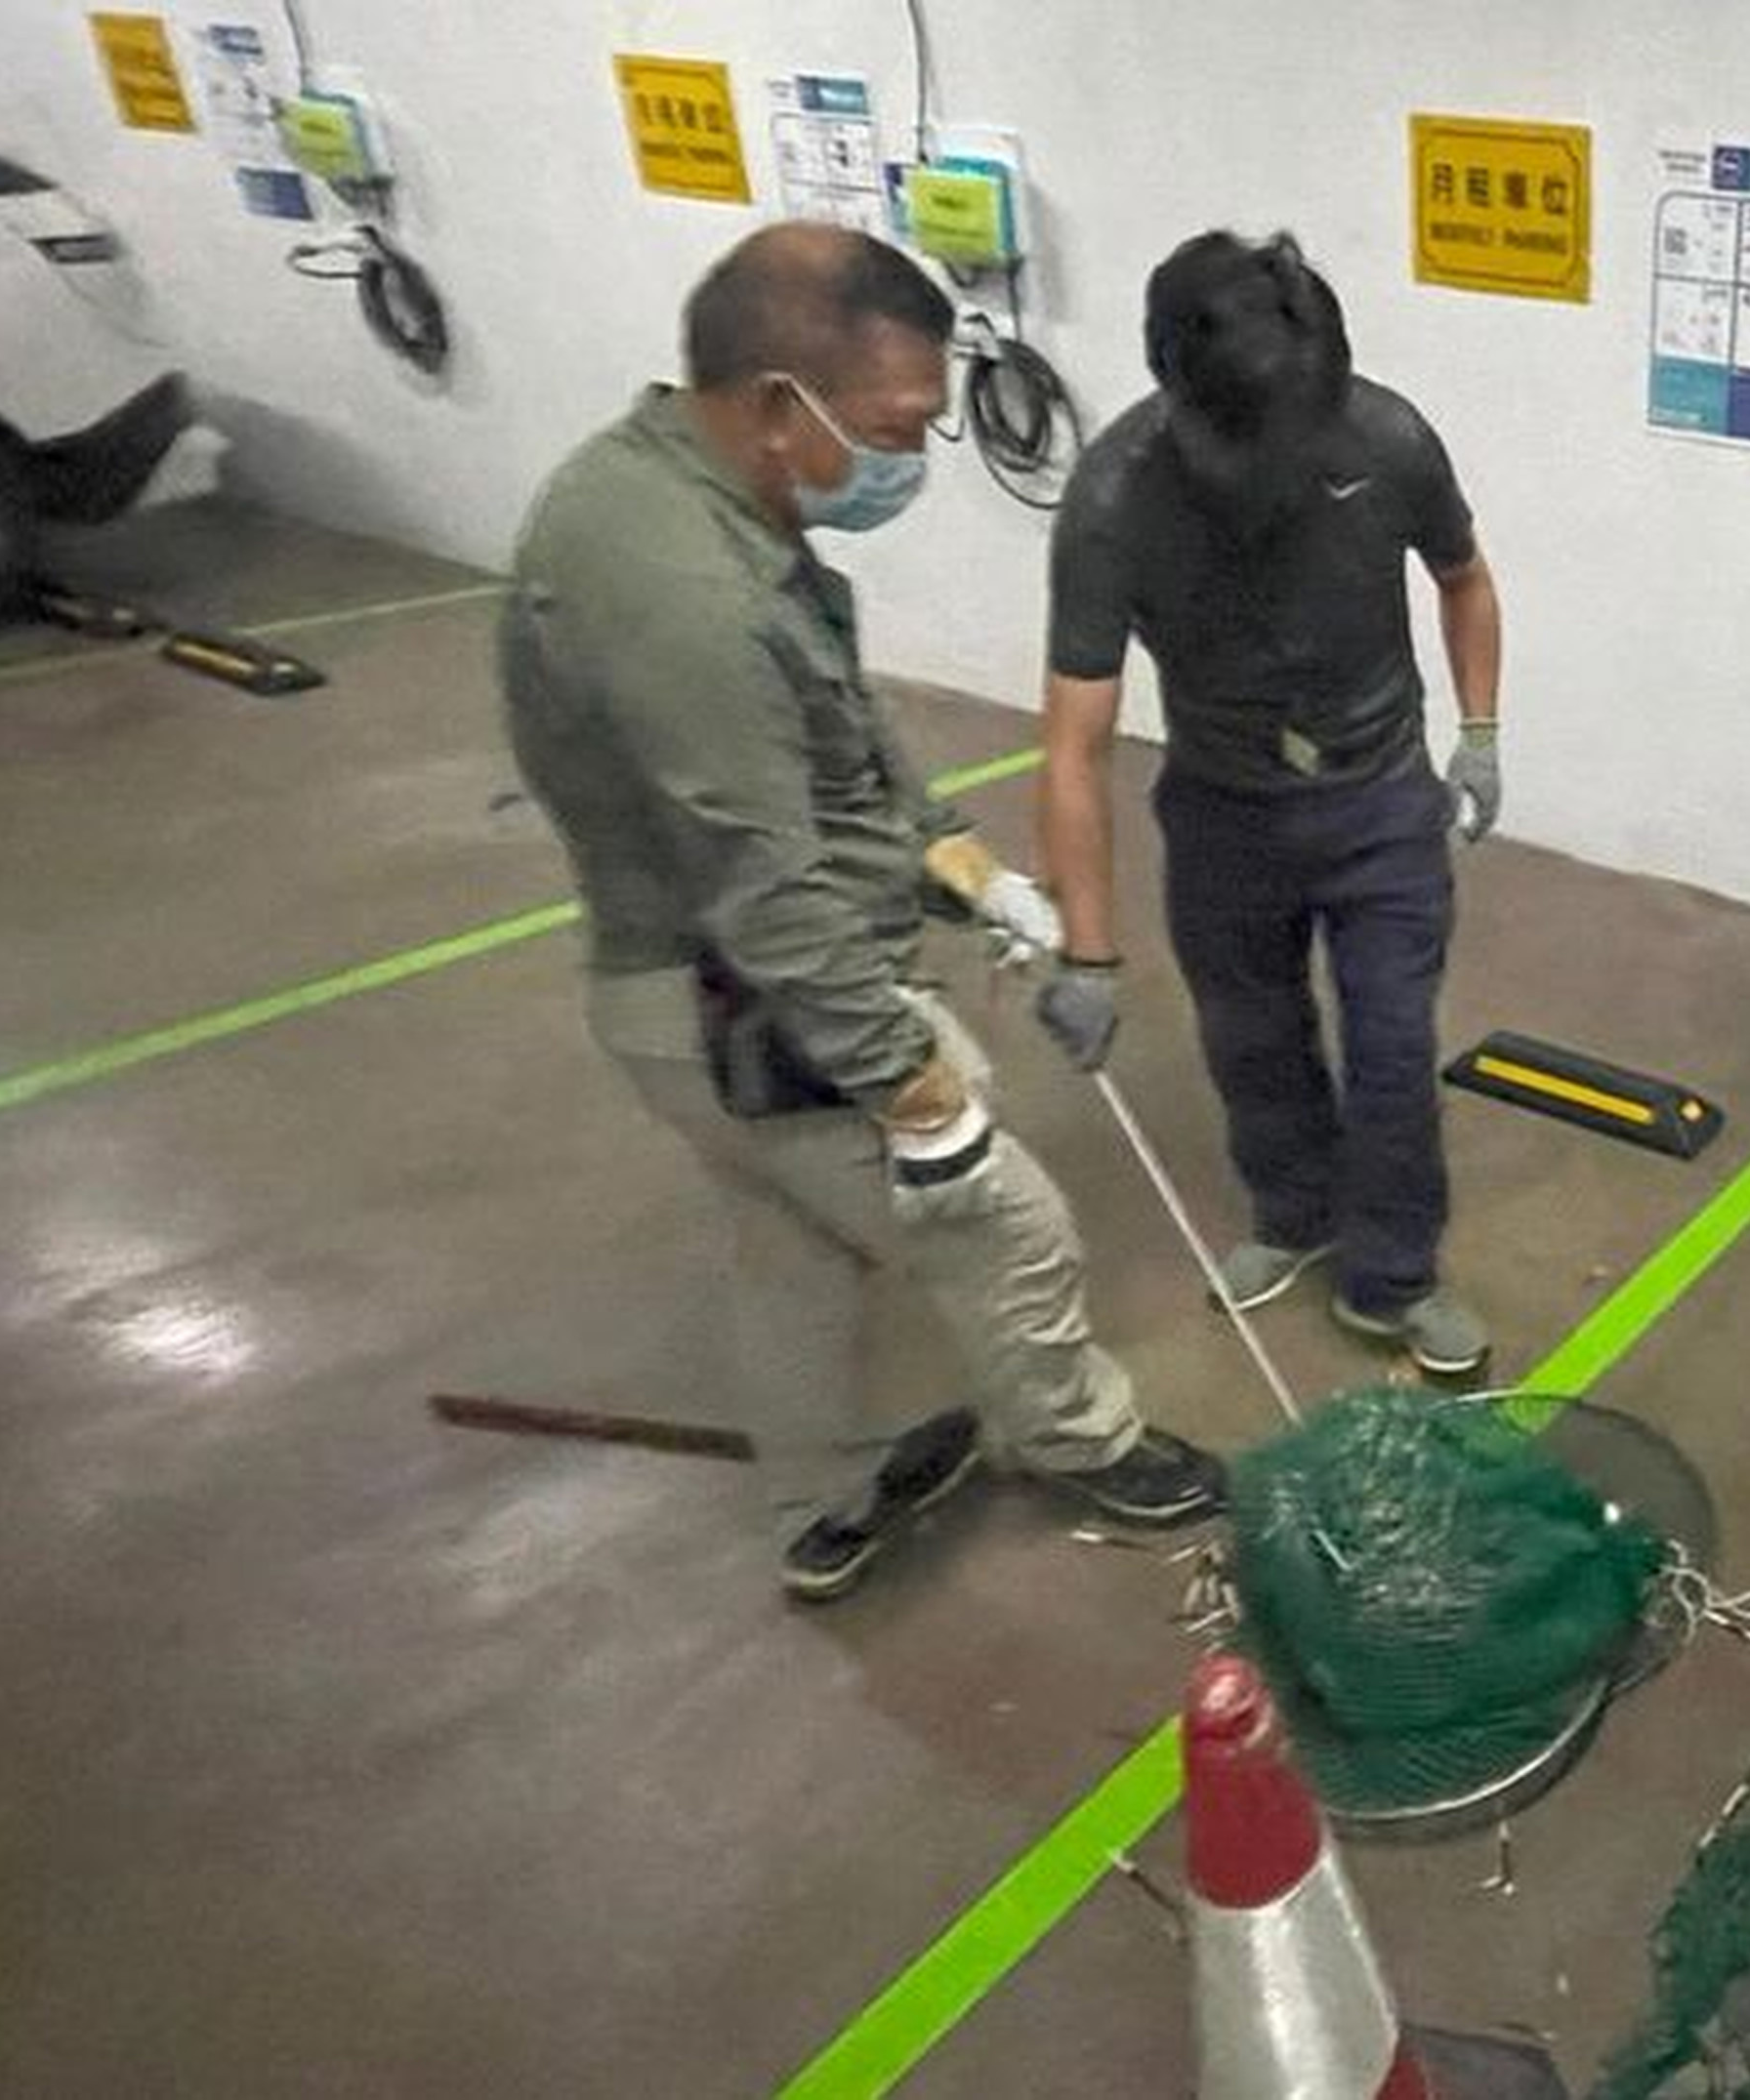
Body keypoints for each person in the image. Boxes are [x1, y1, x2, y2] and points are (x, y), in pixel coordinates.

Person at [500, 224, 1222, 1603]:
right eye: (899, 426)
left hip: (703, 989)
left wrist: (965, 870)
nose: (913, 458)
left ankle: (820, 1506)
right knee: (1005, 1223)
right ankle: (1084, 1442)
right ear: (782, 404)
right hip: (738, 997)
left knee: (794, 1242)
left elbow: (835, 740)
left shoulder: (685, 497)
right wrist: (915, 1093)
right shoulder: (683, 589)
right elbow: (764, 887)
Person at [1035, 230, 1504, 1378]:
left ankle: (1394, 1275)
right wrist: (1089, 956)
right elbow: (1072, 746)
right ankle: (1292, 1217)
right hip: (1223, 810)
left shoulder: (1386, 439)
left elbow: (1464, 576)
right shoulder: (1112, 501)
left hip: (1381, 803)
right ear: (1173, 389)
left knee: (1393, 1047)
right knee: (1252, 1037)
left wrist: (1479, 731)